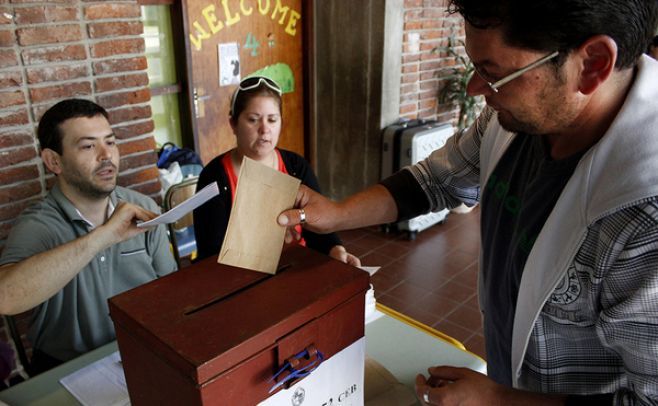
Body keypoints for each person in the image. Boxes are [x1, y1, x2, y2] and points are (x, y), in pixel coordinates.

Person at [278, 0, 658, 404]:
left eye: (493, 75)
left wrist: (498, 401)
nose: (476, 90)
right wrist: (336, 213)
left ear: (593, 64)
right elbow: (437, 180)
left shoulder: (641, 217)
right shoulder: (518, 117)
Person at [0, 99, 177, 374]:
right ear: (53, 161)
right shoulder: (38, 225)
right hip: (67, 370)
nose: (106, 155)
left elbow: (171, 289)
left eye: (110, 142)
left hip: (145, 352)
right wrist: (103, 236)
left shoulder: (142, 207)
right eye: (88, 146)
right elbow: (5, 298)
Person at [193, 76, 360, 266]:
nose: (265, 130)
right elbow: (210, 255)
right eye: (253, 120)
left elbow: (318, 228)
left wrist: (336, 250)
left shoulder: (296, 167)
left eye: (272, 120)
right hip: (242, 280)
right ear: (233, 123)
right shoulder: (213, 178)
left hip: (297, 268)